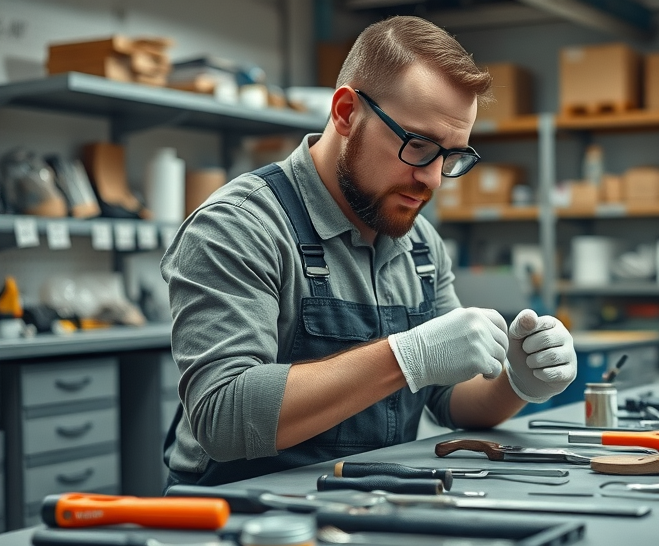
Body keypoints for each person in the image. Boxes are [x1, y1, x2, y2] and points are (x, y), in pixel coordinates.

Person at [160, 16, 577, 488]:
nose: (434, 179)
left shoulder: (419, 244)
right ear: (345, 112)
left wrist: (518, 382)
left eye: (453, 157)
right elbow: (224, 418)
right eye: (418, 146)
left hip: (363, 503)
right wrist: (406, 357)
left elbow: (451, 400)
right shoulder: (240, 226)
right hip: (240, 520)